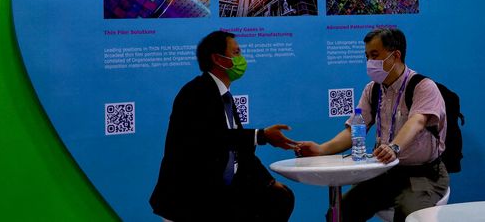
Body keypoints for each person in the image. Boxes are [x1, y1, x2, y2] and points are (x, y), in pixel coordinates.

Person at [295, 28, 448, 222]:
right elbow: (353, 130)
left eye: (375, 55)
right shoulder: (373, 90)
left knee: (409, 216)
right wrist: (321, 149)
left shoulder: (423, 86)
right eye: (367, 56)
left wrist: (393, 147)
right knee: (339, 213)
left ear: (396, 55)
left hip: (422, 175)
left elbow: (416, 121)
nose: (369, 62)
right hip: (384, 171)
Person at [150, 30, 296, 221]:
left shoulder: (223, 96)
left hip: (220, 191)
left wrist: (268, 182)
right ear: (218, 59)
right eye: (236, 53)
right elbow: (212, 139)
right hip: (192, 196)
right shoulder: (196, 93)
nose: (241, 59)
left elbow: (240, 151)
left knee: (280, 198)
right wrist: (263, 135)